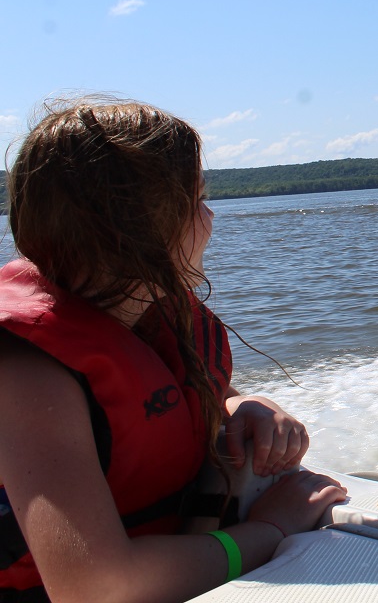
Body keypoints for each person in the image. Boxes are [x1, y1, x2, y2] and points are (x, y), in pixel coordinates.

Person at [0, 99, 347, 603]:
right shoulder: (30, 375)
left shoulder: (146, 319)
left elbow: (185, 393)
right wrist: (273, 532)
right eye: (198, 199)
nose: (210, 218)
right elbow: (94, 589)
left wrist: (242, 405)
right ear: (144, 228)